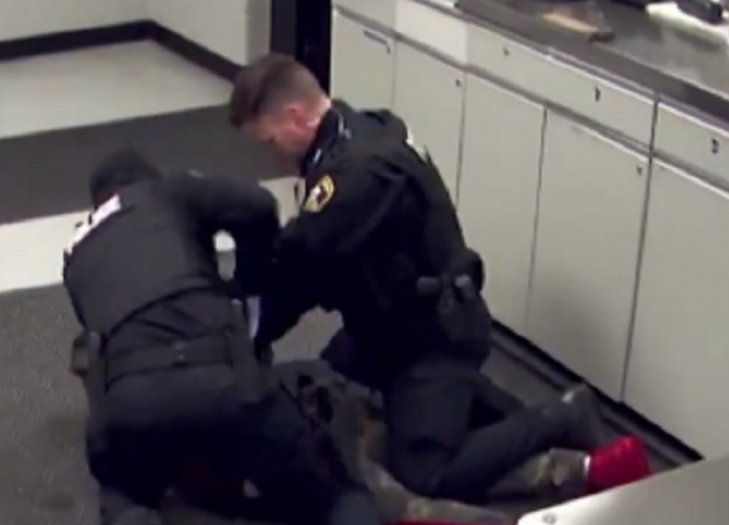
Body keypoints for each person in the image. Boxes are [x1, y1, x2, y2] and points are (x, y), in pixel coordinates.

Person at [227, 53, 652, 504]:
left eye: (270, 140)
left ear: (296, 117)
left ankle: (559, 418)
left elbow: (297, 269)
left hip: (432, 337)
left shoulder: (355, 177)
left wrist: (246, 332)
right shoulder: (368, 126)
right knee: (330, 391)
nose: (271, 153)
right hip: (390, 322)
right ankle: (475, 406)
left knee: (426, 473)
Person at [62, 149, 382, 525]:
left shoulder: (75, 250)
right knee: (323, 490)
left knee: (124, 492)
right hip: (224, 383)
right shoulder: (166, 191)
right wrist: (251, 280)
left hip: (131, 403)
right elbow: (258, 205)